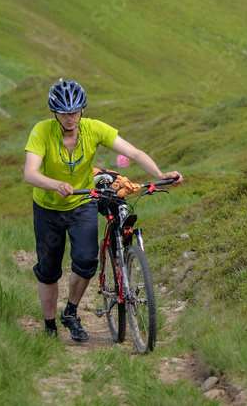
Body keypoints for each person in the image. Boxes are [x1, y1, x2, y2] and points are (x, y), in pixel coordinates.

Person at [23, 79, 182, 341]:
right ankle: (49, 326)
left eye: (74, 111)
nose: (70, 117)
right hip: (48, 208)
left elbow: (134, 152)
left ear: (82, 110)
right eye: (63, 112)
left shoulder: (94, 129)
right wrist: (55, 185)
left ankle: (71, 313)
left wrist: (160, 173)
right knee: (49, 270)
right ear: (55, 113)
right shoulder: (42, 132)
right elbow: (30, 173)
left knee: (86, 261)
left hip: (83, 202)